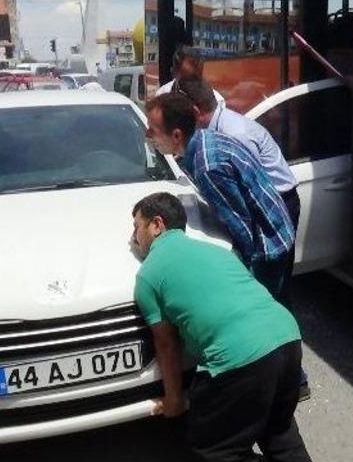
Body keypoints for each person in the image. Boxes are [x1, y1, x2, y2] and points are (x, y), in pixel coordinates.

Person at [131, 192, 312, 462]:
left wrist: (174, 400)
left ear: (157, 225)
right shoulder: (217, 250)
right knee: (280, 435)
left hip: (238, 359)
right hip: (286, 338)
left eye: (137, 227)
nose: (134, 237)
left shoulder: (149, 273)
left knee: (215, 451)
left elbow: (167, 345)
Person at [145, 93, 295, 305]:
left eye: (153, 129)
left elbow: (241, 227)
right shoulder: (203, 140)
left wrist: (245, 276)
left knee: (264, 309)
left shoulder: (208, 167)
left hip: (268, 245)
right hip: (274, 230)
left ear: (177, 136)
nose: (147, 134)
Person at [155, 46, 225, 104]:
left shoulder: (217, 102)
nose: (191, 84)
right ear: (174, 73)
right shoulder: (161, 97)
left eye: (195, 78)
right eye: (187, 80)